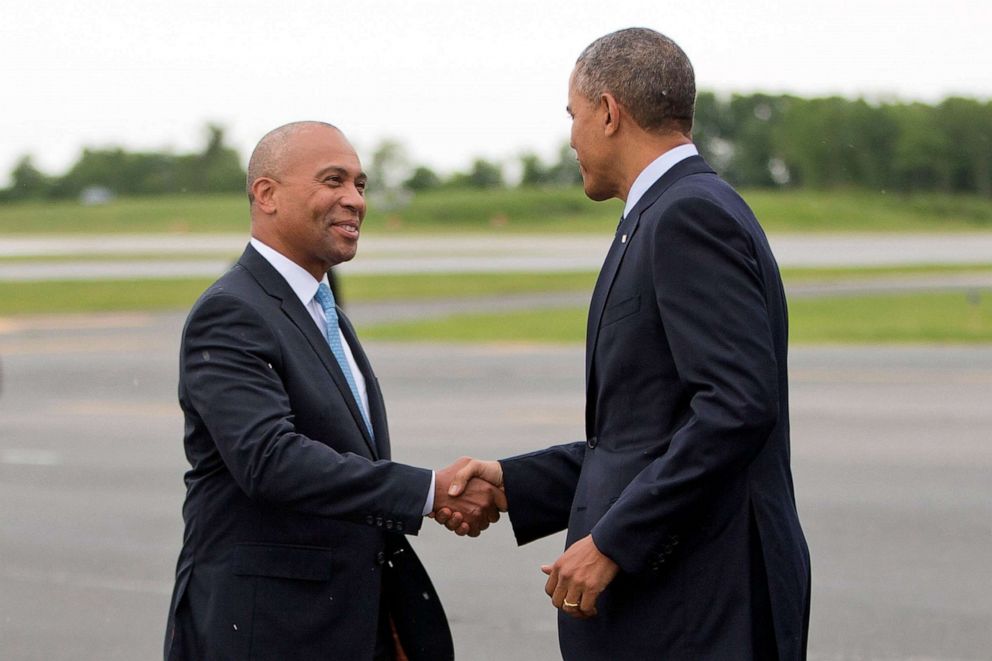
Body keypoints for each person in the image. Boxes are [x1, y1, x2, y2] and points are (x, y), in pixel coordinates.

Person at [440, 28, 811, 660]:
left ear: (610, 112)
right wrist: (516, 483)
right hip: (681, 606)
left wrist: (614, 541)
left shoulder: (688, 215)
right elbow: (641, 434)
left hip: (698, 608)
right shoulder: (659, 213)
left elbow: (736, 409)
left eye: (574, 116)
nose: (572, 137)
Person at [164, 121, 505, 661]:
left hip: (346, 620)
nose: (354, 200)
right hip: (269, 631)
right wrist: (428, 492)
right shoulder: (232, 312)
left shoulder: (325, 313)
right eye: (333, 180)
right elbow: (270, 460)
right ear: (267, 194)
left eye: (361, 185)